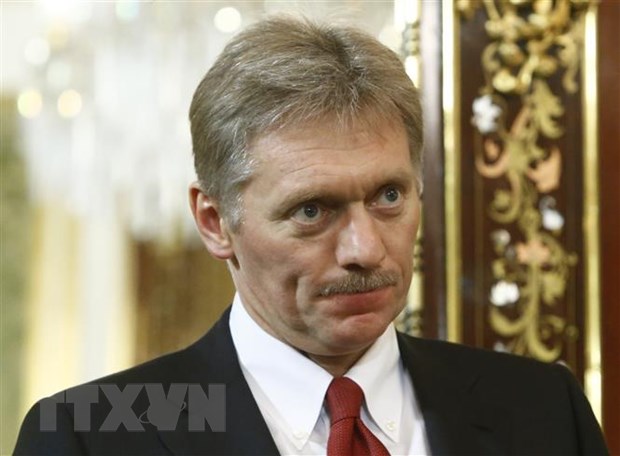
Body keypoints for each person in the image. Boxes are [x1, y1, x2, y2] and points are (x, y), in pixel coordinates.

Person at [15, 15, 608, 456]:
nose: (365, 250)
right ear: (215, 222)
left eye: (389, 197)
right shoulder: (89, 434)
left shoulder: (544, 412)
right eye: (311, 211)